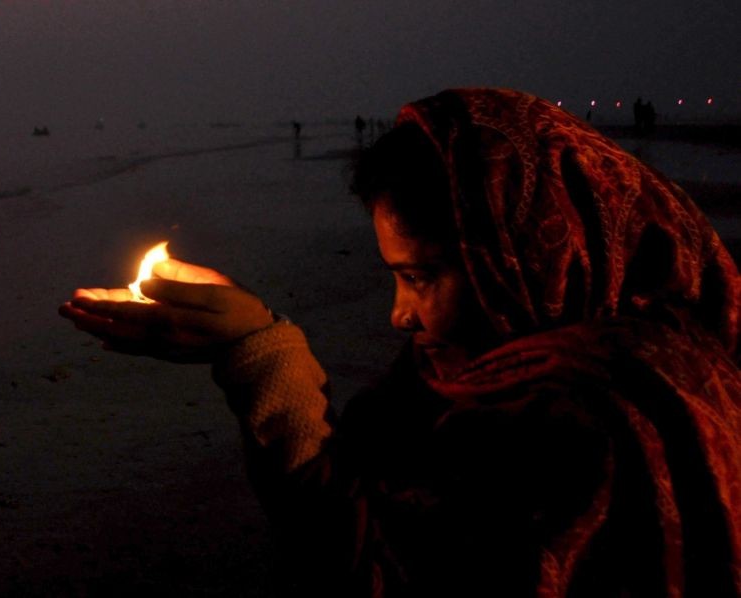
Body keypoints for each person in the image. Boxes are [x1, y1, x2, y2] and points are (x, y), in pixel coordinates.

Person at [59, 88, 740, 596]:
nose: (398, 316)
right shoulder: (482, 368)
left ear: (528, 257)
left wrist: (264, 360)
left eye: (420, 277)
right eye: (394, 277)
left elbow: (379, 570)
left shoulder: (592, 423)